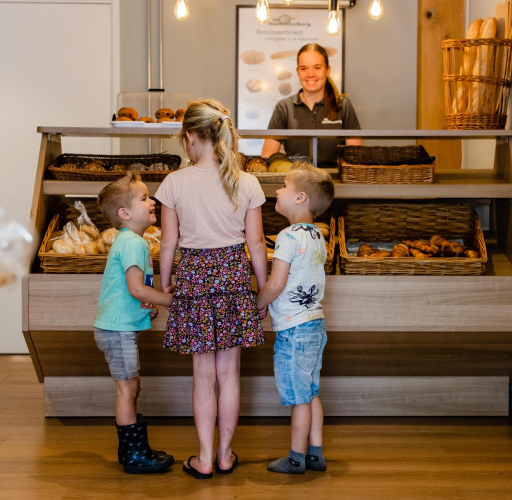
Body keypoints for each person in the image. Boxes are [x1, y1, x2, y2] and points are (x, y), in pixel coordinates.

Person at [156, 99, 268, 479]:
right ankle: (224, 455)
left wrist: (167, 280)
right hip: (235, 277)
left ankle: (203, 458)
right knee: (229, 374)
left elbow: (168, 243)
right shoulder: (246, 182)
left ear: (190, 137)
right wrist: (263, 290)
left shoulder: (174, 182)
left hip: (194, 277)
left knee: (202, 375)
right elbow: (256, 244)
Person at [93, 171, 176, 474]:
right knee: (127, 389)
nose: (152, 201)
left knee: (131, 385)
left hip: (118, 326)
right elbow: (136, 288)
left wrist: (146, 307)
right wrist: (170, 301)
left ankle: (135, 448)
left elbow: (134, 292)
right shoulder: (133, 243)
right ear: (124, 213)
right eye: (144, 198)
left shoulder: (134, 242)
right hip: (117, 329)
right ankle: (133, 455)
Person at [256, 164, 334, 474]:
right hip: (315, 324)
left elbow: (276, 283)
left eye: (284, 186)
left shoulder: (288, 236)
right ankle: (315, 453)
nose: (277, 190)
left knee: (299, 398)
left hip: (295, 329)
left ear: (300, 197)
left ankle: (295, 458)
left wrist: (258, 304)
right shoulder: (317, 236)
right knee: (312, 392)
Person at [261, 43, 363, 168]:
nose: (310, 74)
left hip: (334, 183)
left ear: (328, 70)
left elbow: (356, 160)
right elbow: (267, 156)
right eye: (303, 68)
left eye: (317, 67)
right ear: (297, 72)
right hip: (295, 183)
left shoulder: (343, 106)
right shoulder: (284, 107)